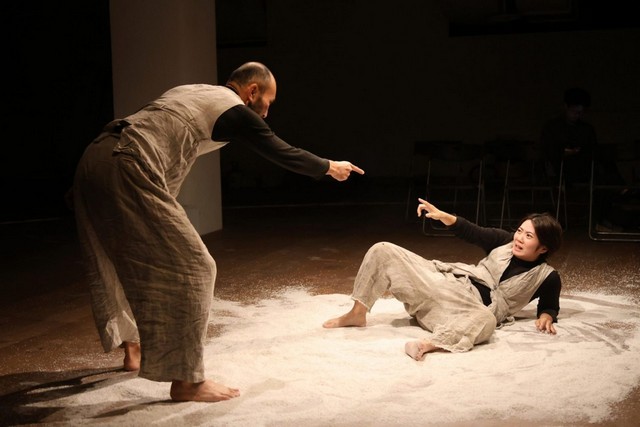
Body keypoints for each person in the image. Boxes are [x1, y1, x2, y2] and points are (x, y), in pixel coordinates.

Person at [72, 62, 364, 402]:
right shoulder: (235, 109)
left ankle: (133, 348)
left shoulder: (193, 92)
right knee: (195, 267)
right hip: (126, 162)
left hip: (95, 156)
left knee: (125, 255)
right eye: (268, 101)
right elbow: (279, 150)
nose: (266, 112)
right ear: (252, 91)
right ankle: (187, 381)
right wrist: (329, 166)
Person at [323, 198, 563, 361]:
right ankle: (357, 313)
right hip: (446, 283)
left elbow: (549, 305)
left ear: (543, 247)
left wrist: (546, 315)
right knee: (383, 249)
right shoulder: (504, 241)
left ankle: (429, 344)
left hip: (461, 313)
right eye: (520, 231)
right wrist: (444, 216)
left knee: (486, 320)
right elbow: (472, 231)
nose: (519, 238)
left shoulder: (548, 277)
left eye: (528, 236)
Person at [540, 87, 597, 185]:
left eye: (580, 112)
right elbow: (548, 151)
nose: (577, 115)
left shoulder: (587, 129)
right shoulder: (552, 127)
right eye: (574, 111)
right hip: (560, 170)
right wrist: (566, 152)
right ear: (566, 106)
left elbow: (592, 149)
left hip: (583, 170)